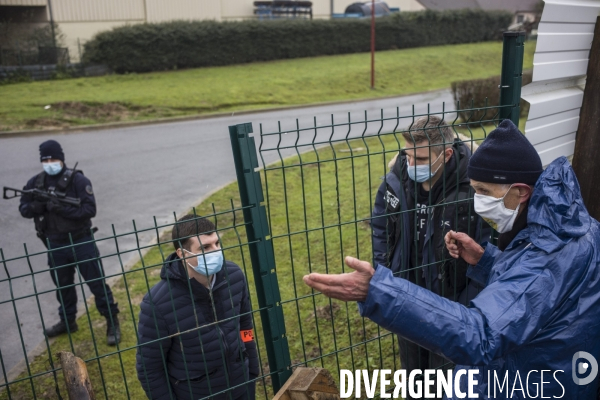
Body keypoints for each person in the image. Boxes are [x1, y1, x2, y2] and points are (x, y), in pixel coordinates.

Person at [304, 120, 600, 398]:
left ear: (520, 192)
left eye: (484, 191)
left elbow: (481, 335)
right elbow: (533, 292)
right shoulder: (568, 226)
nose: (478, 201)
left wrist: (378, 291)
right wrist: (486, 261)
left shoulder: (548, 254)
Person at [371, 116, 489, 398]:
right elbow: (380, 228)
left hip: (451, 304)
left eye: (421, 158)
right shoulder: (395, 182)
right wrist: (385, 274)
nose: (412, 165)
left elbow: (486, 244)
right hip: (405, 295)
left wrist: (469, 298)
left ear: (446, 154)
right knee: (414, 376)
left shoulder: (473, 189)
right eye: (408, 156)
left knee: (447, 378)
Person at [136, 214, 258, 400]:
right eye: (205, 247)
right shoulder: (157, 303)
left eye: (217, 243)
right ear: (182, 254)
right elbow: (150, 368)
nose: (216, 251)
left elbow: (246, 328)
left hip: (241, 387)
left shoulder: (234, 276)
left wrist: (252, 373)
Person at [19, 140, 120, 345]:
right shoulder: (35, 183)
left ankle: (112, 320)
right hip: (55, 244)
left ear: (61, 158)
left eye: (53, 158)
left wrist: (60, 209)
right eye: (45, 159)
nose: (49, 162)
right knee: (62, 286)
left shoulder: (78, 181)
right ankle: (67, 321)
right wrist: (38, 207)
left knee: (96, 284)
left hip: (81, 241)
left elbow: (89, 211)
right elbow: (24, 208)